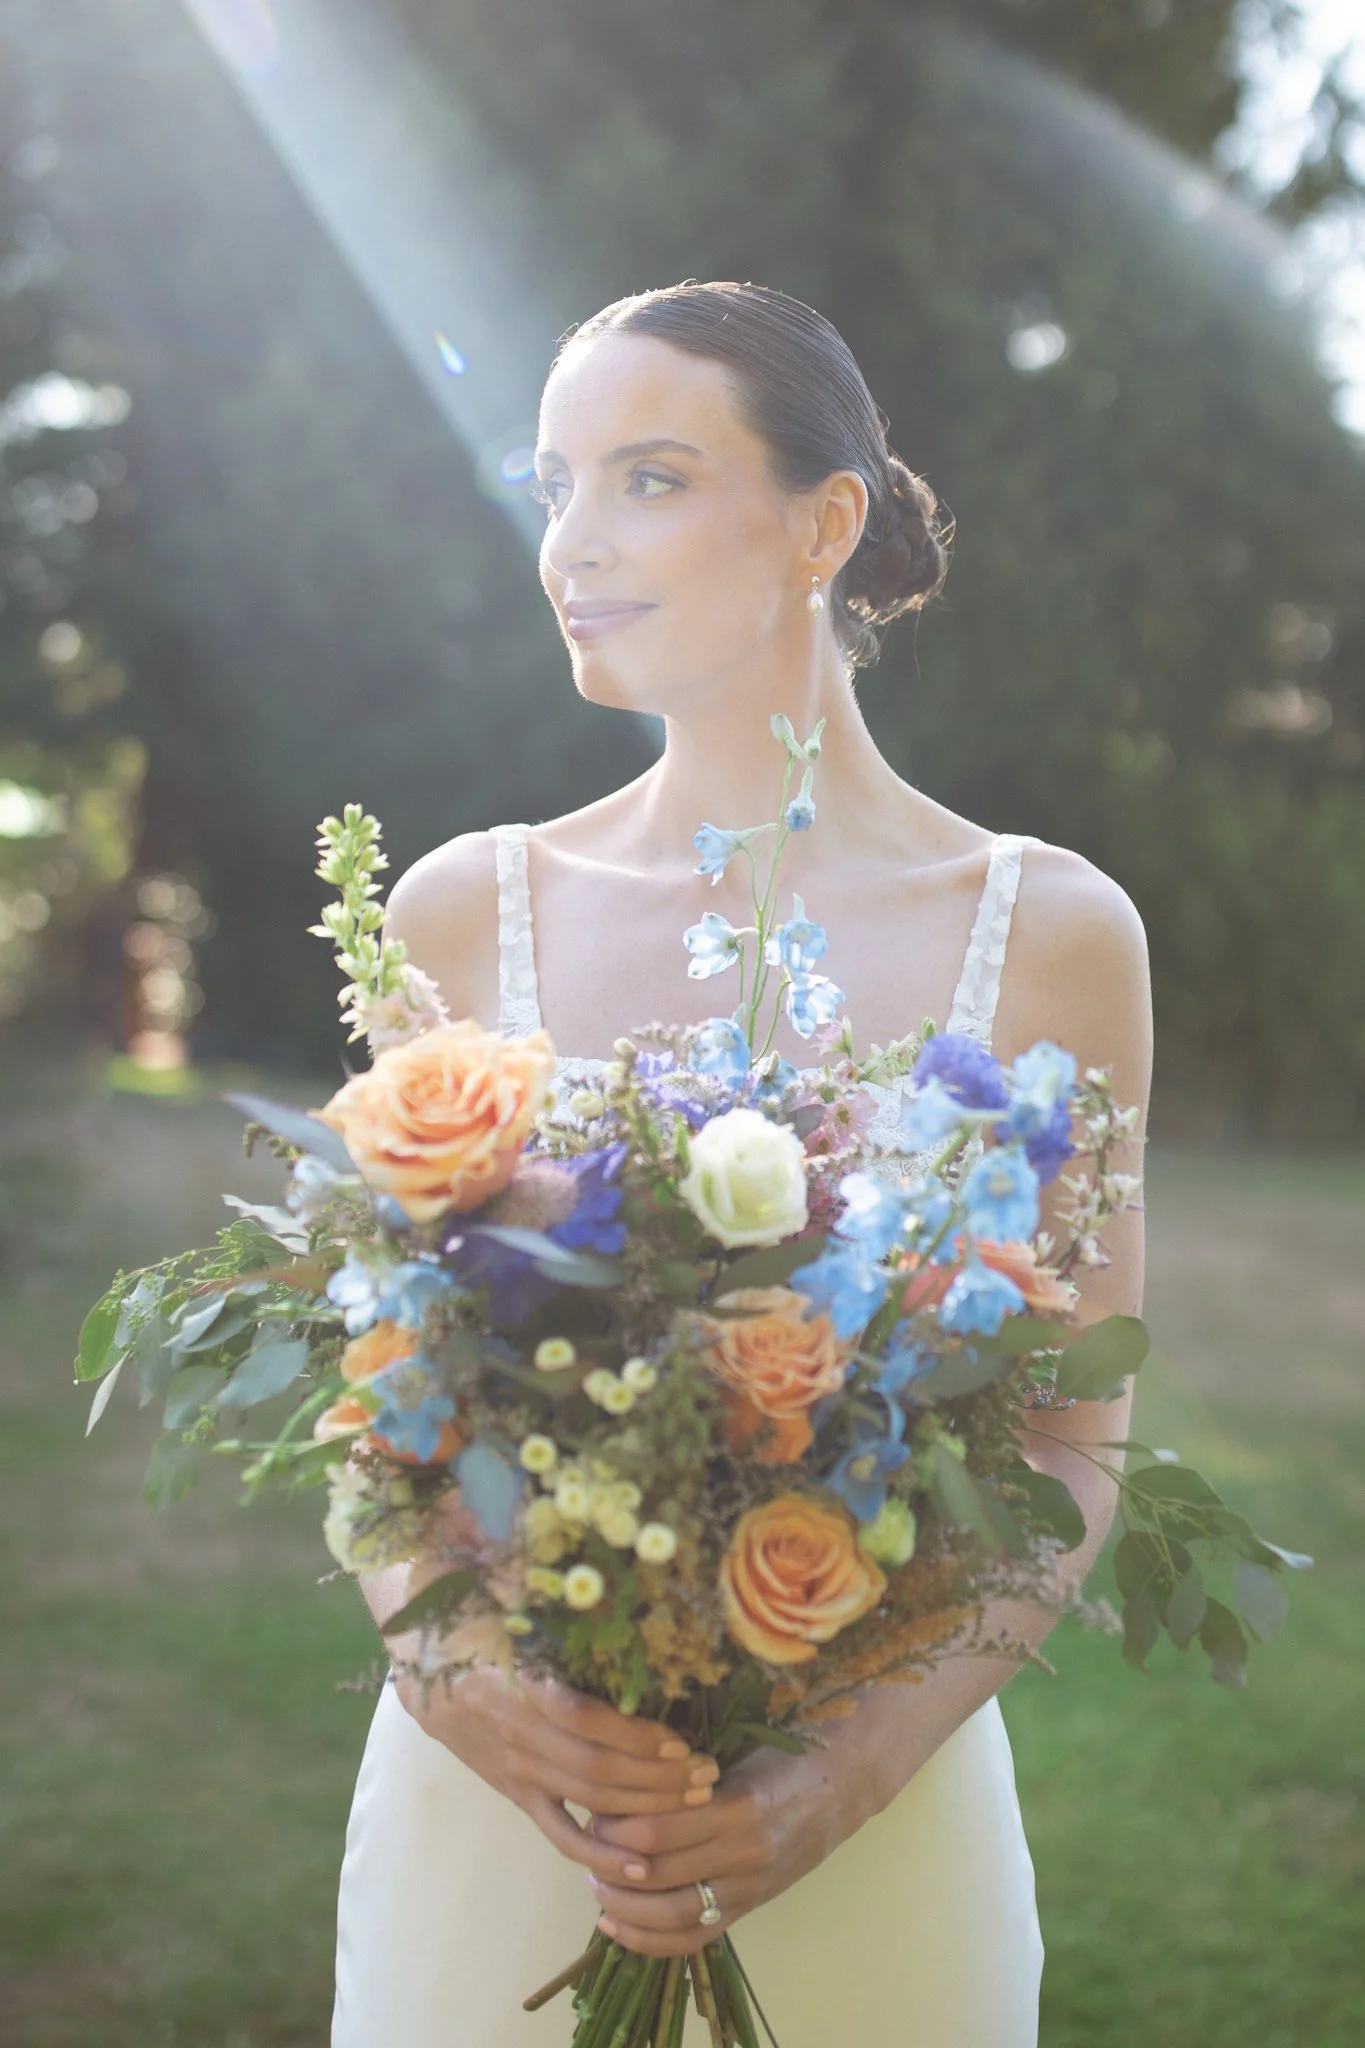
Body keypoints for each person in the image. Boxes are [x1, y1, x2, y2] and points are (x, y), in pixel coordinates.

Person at [331, 281, 1151, 2045]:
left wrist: (824, 1787)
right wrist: (442, 1661)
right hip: (505, 1826)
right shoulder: (460, 914)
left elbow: (1074, 1439)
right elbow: (383, 1397)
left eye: (648, 478)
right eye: (554, 483)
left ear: (823, 524)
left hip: (870, 1838)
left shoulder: (1052, 934)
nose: (571, 541)